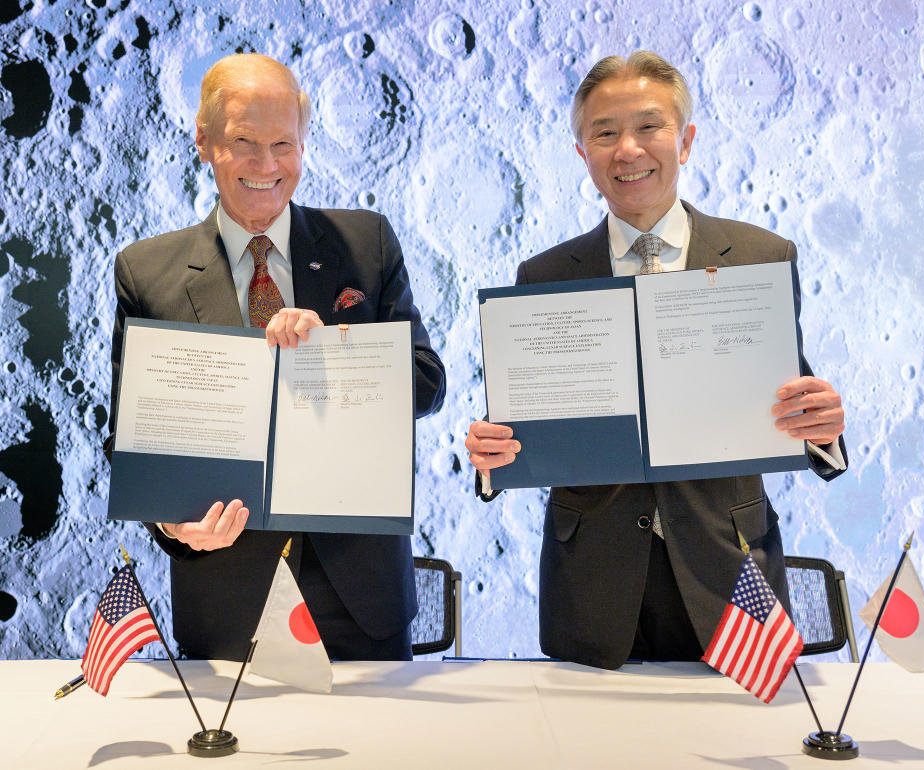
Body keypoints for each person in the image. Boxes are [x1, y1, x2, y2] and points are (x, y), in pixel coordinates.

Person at [465, 51, 846, 670]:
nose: (628, 149)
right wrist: (491, 458)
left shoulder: (759, 255)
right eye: (605, 132)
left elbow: (790, 399)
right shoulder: (543, 275)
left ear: (686, 140)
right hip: (593, 585)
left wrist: (822, 431)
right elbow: (525, 424)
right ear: (582, 152)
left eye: (649, 127)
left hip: (731, 570)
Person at [106, 53, 445, 661]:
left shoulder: (366, 242)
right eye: (244, 143)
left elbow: (426, 384)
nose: (267, 166)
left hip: (362, 598)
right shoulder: (145, 272)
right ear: (204, 143)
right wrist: (170, 524)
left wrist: (333, 357)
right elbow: (131, 442)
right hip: (226, 597)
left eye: (284, 144)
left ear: (305, 143)